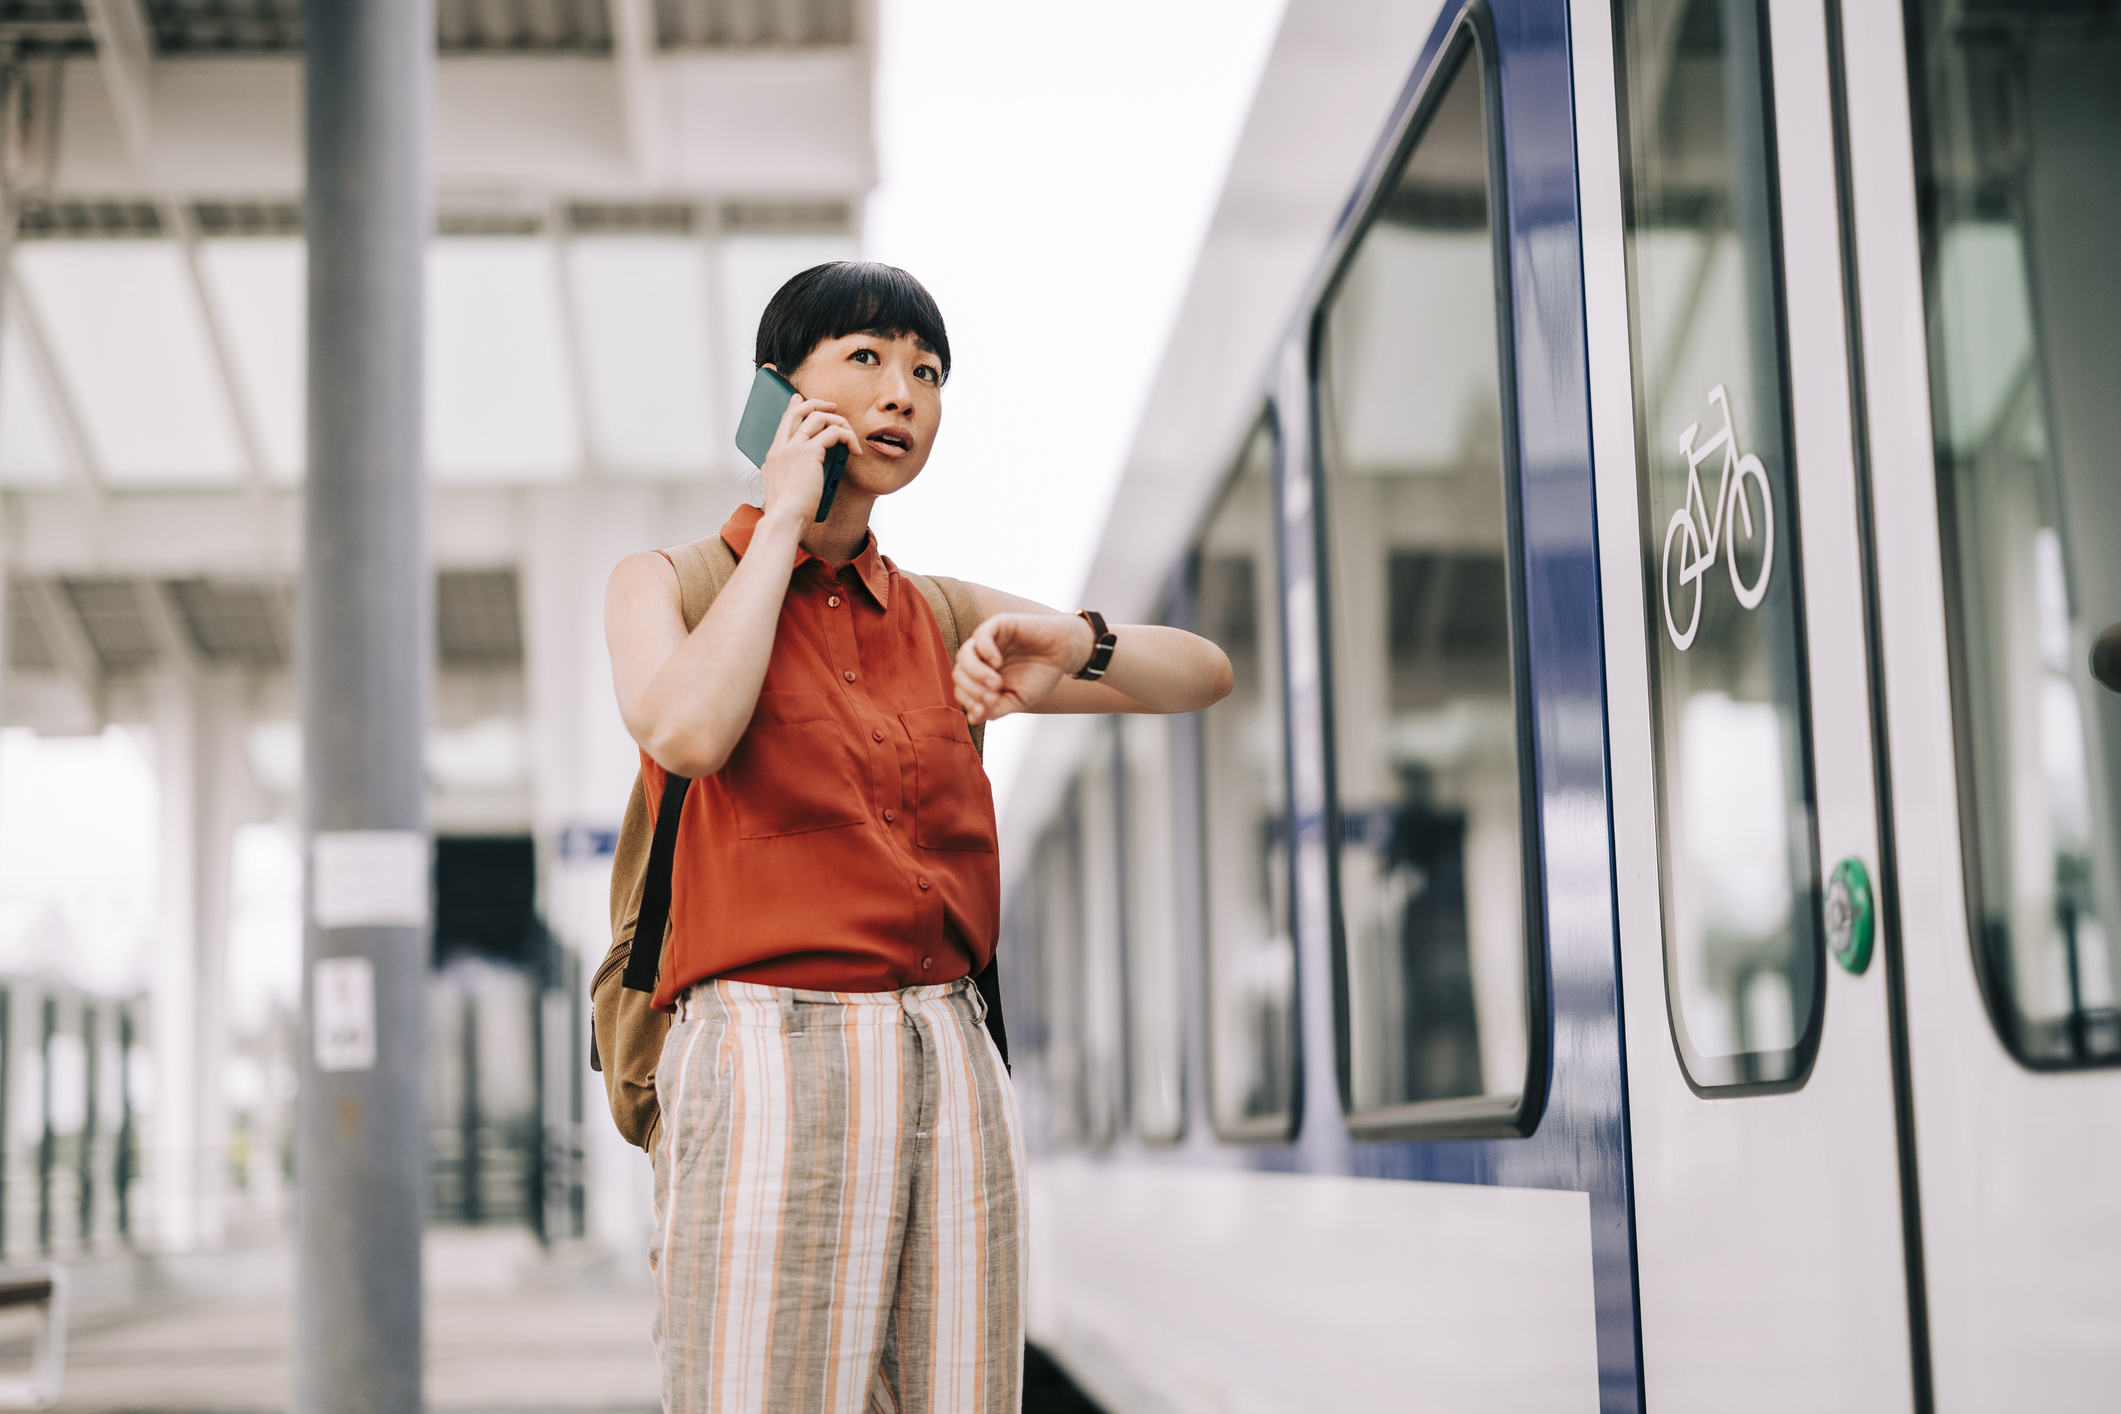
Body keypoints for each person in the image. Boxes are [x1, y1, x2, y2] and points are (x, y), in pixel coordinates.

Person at [602, 261, 1232, 1414]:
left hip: (948, 1042)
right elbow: (688, 730)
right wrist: (786, 514)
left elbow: (1199, 674)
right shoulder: (670, 582)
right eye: (867, 358)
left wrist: (1070, 640)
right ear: (777, 393)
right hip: (768, 1046)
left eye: (927, 370)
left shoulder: (939, 613)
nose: (904, 393)